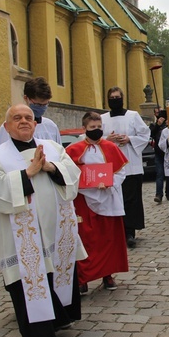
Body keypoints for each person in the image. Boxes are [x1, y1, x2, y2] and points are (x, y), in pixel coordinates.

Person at [0, 104, 87, 337]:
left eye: (28, 117)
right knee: (30, 287)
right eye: (16, 118)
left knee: (53, 278)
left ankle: (56, 321)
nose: (24, 121)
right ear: (6, 127)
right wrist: (28, 173)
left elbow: (73, 176)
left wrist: (50, 167)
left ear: (35, 123)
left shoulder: (52, 147)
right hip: (23, 240)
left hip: (54, 231)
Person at [66, 112, 129, 293]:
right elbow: (70, 174)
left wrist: (109, 183)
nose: (97, 130)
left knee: (108, 238)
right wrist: (86, 186)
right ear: (84, 128)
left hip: (107, 198)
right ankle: (82, 279)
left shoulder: (110, 147)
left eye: (99, 127)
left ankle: (107, 275)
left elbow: (120, 173)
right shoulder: (74, 150)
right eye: (93, 127)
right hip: (84, 199)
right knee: (86, 239)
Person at [101, 87, 151, 248]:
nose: (115, 100)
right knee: (113, 200)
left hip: (131, 165)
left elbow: (145, 134)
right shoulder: (102, 118)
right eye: (112, 97)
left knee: (131, 200)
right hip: (111, 167)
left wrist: (129, 139)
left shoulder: (133, 116)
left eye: (117, 97)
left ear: (122, 98)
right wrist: (107, 139)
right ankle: (116, 232)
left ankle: (129, 232)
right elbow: (94, 137)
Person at [0, 77, 61, 146]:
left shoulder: (51, 126)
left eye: (45, 104)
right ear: (26, 98)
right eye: (37, 104)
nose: (41, 108)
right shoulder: (10, 126)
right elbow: (2, 152)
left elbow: (59, 152)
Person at [149, 107, 167, 203]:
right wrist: (157, 125)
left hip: (167, 152)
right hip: (158, 153)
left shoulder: (168, 124)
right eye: (156, 113)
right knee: (159, 174)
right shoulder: (153, 125)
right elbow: (151, 134)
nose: (158, 114)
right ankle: (159, 194)